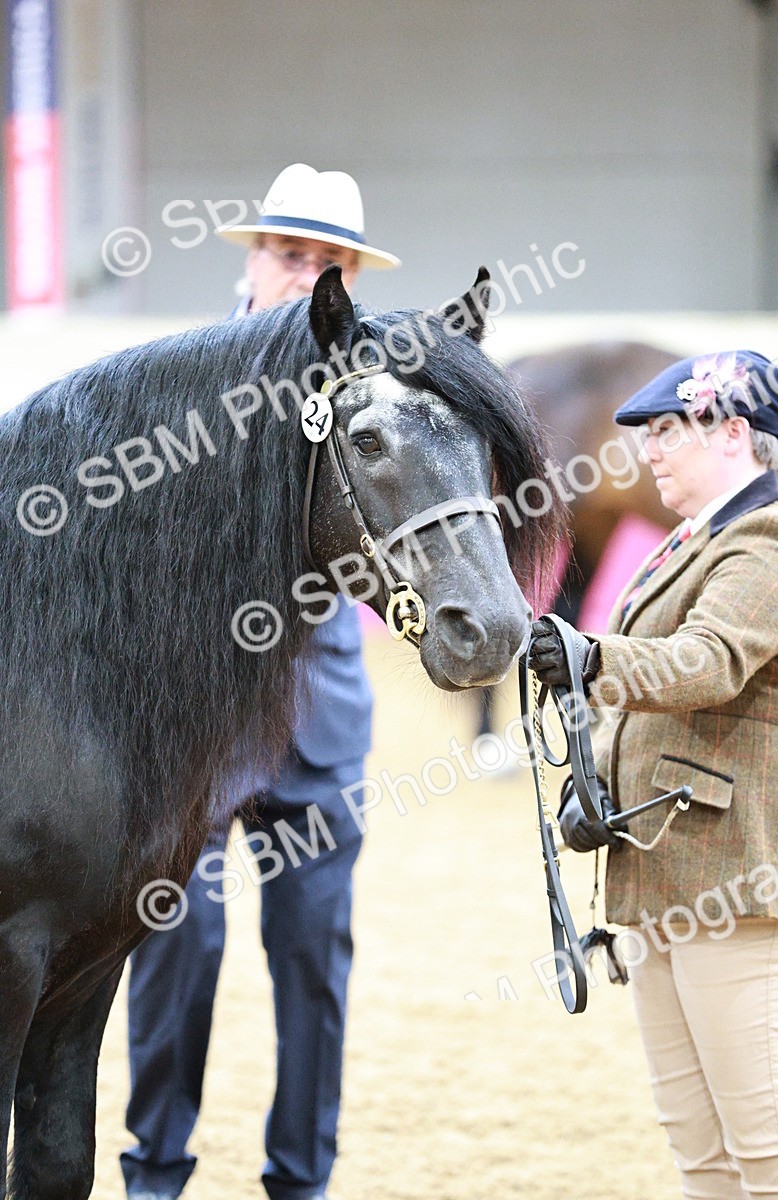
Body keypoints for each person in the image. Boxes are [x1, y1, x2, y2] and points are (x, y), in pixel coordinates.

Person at [121, 163, 400, 1200]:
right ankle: (154, 1171)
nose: (305, 277)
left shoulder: (374, 384)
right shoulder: (170, 379)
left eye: (327, 263)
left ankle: (301, 1183)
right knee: (176, 948)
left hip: (318, 721)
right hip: (191, 729)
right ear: (252, 257)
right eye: (290, 254)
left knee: (313, 965)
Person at [529, 350, 778, 1198]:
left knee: (768, 1151)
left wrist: (590, 655)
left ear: (733, 434)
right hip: (662, 874)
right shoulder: (687, 544)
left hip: (736, 883)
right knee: (701, 1151)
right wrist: (594, 781)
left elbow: (709, 662)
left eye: (668, 430)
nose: (648, 449)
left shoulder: (771, 542)